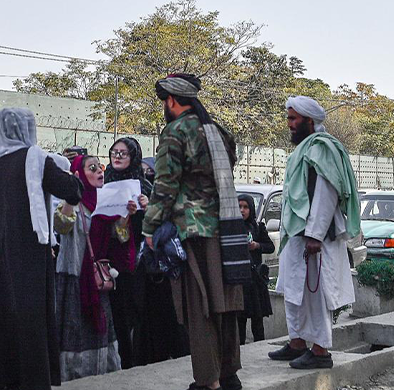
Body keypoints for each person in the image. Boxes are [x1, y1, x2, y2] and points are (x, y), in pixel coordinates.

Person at [144, 74, 246, 390]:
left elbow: (164, 185)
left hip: (193, 231)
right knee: (225, 304)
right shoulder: (218, 131)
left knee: (198, 307)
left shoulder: (175, 132)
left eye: (165, 101)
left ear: (172, 101)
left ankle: (208, 381)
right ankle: (229, 376)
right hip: (226, 228)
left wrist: (149, 227)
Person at [0, 108, 83, 390]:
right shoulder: (35, 158)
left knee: (1, 315)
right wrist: (66, 169)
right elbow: (72, 191)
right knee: (30, 316)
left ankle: (3, 380)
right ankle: (33, 380)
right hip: (28, 248)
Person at [269, 96, 360, 370]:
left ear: (310, 121)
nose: (290, 124)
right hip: (297, 235)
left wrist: (315, 235)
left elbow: (325, 194)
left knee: (317, 293)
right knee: (294, 290)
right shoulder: (304, 149)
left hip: (314, 238)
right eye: (288, 118)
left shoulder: (322, 148)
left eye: (294, 119)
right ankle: (297, 342)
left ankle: (320, 351)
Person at [54, 155, 122, 381]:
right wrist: (71, 197)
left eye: (100, 167)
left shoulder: (104, 201)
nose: (100, 171)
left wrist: (125, 216)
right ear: (79, 175)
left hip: (96, 279)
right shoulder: (73, 202)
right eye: (92, 168)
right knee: (74, 331)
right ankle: (72, 374)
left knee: (97, 328)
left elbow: (119, 236)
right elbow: (61, 226)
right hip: (74, 276)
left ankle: (100, 372)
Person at [134, 155, 189, 365]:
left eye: (150, 171)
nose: (147, 175)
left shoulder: (173, 196)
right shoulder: (140, 192)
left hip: (171, 270)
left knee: (174, 320)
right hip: (148, 271)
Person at [104, 137, 150, 369]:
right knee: (115, 314)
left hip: (137, 261)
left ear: (133, 157)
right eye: (115, 152)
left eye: (123, 153)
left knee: (136, 312)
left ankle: (135, 361)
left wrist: (145, 207)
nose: (118, 156)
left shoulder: (144, 187)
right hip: (107, 260)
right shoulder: (103, 182)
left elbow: (157, 222)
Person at [237, 194, 274, 344]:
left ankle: (260, 348)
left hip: (255, 280)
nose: (242, 210)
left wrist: (256, 246)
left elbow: (270, 246)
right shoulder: (232, 228)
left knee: (257, 320)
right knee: (240, 320)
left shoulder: (258, 227)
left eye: (245, 207)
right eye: (239, 207)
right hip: (240, 280)